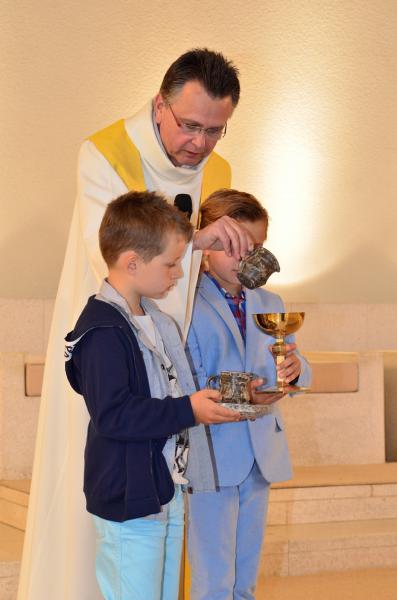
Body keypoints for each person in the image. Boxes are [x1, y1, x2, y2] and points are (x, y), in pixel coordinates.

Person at [18, 49, 251, 600]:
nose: (200, 143)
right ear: (159, 105)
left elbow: (190, 281)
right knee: (115, 519)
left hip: (169, 364)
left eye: (215, 130)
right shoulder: (103, 152)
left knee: (162, 530)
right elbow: (121, 251)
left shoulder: (218, 172)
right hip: (117, 347)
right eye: (189, 125)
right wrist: (196, 240)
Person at [64, 191, 240, 599]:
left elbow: (168, 385)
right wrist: (188, 409)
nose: (179, 273)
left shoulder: (151, 318)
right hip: (129, 496)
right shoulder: (102, 330)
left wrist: (203, 400)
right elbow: (115, 415)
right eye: (171, 263)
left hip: (163, 486)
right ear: (132, 262)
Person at [185, 189, 312, 600]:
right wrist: (248, 395)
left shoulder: (270, 301)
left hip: (261, 453)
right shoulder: (184, 300)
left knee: (246, 575)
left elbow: (294, 362)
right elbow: (191, 375)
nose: (245, 257)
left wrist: (294, 372)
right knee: (213, 576)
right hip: (212, 452)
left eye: (255, 247)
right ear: (206, 245)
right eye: (233, 245)